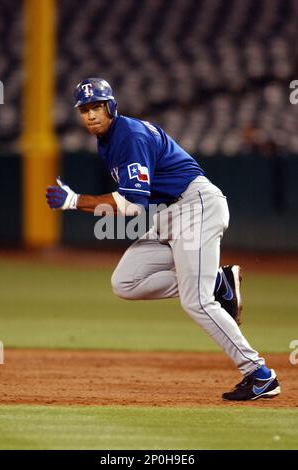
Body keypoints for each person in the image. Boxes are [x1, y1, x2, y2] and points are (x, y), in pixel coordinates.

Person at [46, 78, 280, 401]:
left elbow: (132, 205)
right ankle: (215, 281)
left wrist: (74, 201)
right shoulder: (109, 140)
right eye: (84, 109)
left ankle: (259, 373)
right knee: (125, 282)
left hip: (194, 207)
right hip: (170, 216)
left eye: (97, 106)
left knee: (196, 301)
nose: (91, 115)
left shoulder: (129, 136)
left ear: (111, 106)